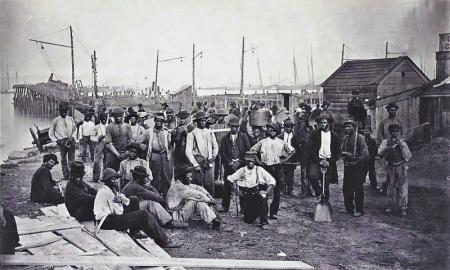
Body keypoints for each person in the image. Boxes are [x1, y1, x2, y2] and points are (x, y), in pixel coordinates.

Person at [93, 168, 180, 248]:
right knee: (143, 214)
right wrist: (121, 203)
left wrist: (122, 200)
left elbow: (125, 199)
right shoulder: (106, 192)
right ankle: (163, 241)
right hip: (107, 222)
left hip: (112, 215)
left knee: (133, 199)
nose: (116, 181)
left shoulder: (111, 189)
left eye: (116, 179)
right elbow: (119, 211)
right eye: (113, 179)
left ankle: (134, 231)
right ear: (107, 181)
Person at [250, 122, 295, 219]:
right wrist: (259, 162)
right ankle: (263, 211)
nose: (272, 131)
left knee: (277, 191)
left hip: (277, 168)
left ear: (277, 131)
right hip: (266, 168)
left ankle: (273, 212)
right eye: (270, 130)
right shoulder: (263, 142)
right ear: (267, 131)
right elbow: (252, 151)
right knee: (263, 190)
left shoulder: (281, 142)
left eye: (274, 130)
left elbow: (292, 151)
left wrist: (283, 161)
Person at [121, 166, 188, 228]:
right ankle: (168, 222)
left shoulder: (134, 183)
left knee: (148, 202)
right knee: (150, 203)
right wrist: (163, 201)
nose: (146, 179)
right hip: (127, 211)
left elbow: (152, 192)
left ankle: (164, 218)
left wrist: (150, 187)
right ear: (138, 179)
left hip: (128, 208)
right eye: (144, 177)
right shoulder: (136, 187)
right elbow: (156, 197)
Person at [227, 151, 275, 229]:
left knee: (262, 197)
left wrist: (266, 191)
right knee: (248, 220)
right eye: (248, 161)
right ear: (245, 161)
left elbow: (272, 181)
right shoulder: (242, 170)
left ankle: (264, 222)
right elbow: (230, 179)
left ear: (255, 161)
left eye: (252, 161)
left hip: (258, 192)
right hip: (248, 195)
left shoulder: (259, 169)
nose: (250, 163)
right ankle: (255, 213)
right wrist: (237, 191)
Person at [166, 165, 221, 230]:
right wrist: (209, 200)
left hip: (179, 211)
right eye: (188, 177)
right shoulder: (179, 187)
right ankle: (213, 219)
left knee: (196, 200)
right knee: (195, 201)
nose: (191, 179)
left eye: (191, 177)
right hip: (176, 216)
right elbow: (197, 195)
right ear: (181, 177)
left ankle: (213, 219)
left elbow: (197, 188)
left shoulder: (182, 183)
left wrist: (208, 195)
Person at [218, 115, 251, 212]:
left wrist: (240, 162)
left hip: (241, 164)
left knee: (242, 185)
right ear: (229, 126)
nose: (234, 128)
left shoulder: (243, 137)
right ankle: (225, 206)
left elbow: (247, 151)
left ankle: (244, 207)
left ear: (238, 127)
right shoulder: (225, 138)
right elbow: (222, 152)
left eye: (235, 126)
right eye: (232, 126)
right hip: (229, 165)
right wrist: (229, 163)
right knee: (227, 185)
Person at [378, 124, 412, 216]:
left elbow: (408, 156)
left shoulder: (402, 143)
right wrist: (387, 149)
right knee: (390, 187)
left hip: (401, 166)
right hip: (390, 167)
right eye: (393, 131)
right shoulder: (385, 142)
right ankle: (391, 206)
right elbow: (380, 154)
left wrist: (401, 147)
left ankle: (402, 208)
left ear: (399, 132)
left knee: (402, 188)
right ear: (390, 132)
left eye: (396, 131)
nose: (395, 133)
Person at [137, 113, 173, 196]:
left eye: (161, 121)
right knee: (154, 177)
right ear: (154, 121)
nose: (158, 122)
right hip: (154, 155)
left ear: (163, 122)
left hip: (164, 155)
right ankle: (154, 195)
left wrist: (169, 153)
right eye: (157, 121)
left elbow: (169, 144)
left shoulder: (166, 131)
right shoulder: (148, 132)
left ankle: (166, 195)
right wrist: (145, 147)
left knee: (166, 176)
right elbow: (139, 142)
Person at [307, 114, 341, 202]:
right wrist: (319, 161)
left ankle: (325, 203)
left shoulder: (335, 136)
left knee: (325, 183)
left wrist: (330, 161)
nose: (323, 124)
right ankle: (318, 193)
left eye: (325, 123)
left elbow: (337, 152)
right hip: (317, 160)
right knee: (312, 176)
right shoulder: (314, 134)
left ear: (329, 124)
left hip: (329, 161)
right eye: (321, 123)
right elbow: (310, 149)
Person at [185, 111, 219, 195]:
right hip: (198, 161)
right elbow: (188, 151)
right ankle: (197, 203)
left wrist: (214, 156)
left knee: (209, 184)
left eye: (204, 120)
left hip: (209, 161)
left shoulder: (209, 132)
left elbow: (215, 146)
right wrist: (195, 164)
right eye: (201, 120)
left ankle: (210, 203)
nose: (203, 122)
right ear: (197, 122)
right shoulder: (192, 134)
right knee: (197, 184)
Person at [341, 120, 369, 217]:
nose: (347, 128)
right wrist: (345, 154)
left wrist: (355, 162)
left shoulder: (360, 138)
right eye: (346, 127)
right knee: (347, 188)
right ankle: (349, 208)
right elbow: (342, 151)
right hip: (348, 166)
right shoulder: (345, 138)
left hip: (358, 167)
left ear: (354, 127)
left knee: (358, 189)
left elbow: (364, 154)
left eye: (349, 126)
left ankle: (359, 209)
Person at [377, 102, 404, 194]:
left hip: (397, 147)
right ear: (388, 111)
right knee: (387, 169)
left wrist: (400, 143)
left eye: (394, 110)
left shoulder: (399, 122)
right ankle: (386, 188)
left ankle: (397, 189)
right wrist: (384, 145)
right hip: (387, 147)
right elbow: (379, 134)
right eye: (391, 110)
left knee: (398, 169)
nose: (393, 111)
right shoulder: (383, 122)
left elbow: (403, 134)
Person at [49, 102, 76, 180]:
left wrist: (72, 137)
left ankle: (71, 176)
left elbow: (75, 129)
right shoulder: (56, 120)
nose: (63, 112)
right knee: (63, 160)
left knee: (71, 160)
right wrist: (56, 140)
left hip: (71, 141)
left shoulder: (70, 119)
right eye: (62, 111)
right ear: (59, 111)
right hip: (62, 142)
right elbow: (51, 132)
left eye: (65, 110)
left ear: (67, 111)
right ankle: (65, 175)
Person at [104, 107, 133, 171]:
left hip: (125, 153)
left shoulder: (127, 126)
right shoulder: (109, 127)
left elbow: (131, 141)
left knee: (126, 172)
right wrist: (118, 155)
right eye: (118, 116)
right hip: (113, 153)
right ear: (114, 117)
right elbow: (108, 144)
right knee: (111, 171)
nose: (121, 118)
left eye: (122, 116)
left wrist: (126, 153)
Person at [278, 119, 301, 196]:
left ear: (292, 128)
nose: (288, 129)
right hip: (283, 158)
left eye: (290, 127)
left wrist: (296, 158)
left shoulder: (295, 137)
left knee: (290, 174)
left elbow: (297, 149)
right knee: (282, 174)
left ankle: (290, 189)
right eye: (287, 127)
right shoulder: (280, 137)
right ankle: (282, 189)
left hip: (292, 158)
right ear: (284, 128)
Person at [296, 115, 314, 196]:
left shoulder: (312, 130)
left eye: (303, 121)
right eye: (301, 121)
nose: (302, 123)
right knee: (304, 174)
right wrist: (306, 140)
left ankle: (310, 190)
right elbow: (298, 139)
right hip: (303, 155)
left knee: (311, 174)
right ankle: (304, 191)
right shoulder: (300, 130)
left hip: (312, 155)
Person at [212, 108, 229, 181]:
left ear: (223, 116)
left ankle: (224, 179)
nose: (219, 118)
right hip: (217, 147)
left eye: (220, 116)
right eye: (218, 116)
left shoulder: (227, 126)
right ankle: (216, 179)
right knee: (217, 165)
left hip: (225, 148)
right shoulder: (214, 126)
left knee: (225, 164)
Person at [92, 113, 108, 182]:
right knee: (97, 161)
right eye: (103, 118)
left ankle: (105, 177)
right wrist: (98, 138)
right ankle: (95, 178)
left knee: (107, 161)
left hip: (108, 144)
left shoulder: (109, 126)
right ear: (100, 119)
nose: (104, 119)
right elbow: (91, 137)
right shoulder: (97, 127)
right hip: (99, 143)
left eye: (105, 118)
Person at [363, 126, 378, 190]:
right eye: (365, 131)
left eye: (367, 131)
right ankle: (360, 184)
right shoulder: (361, 140)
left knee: (372, 173)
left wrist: (371, 156)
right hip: (363, 159)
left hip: (371, 159)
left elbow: (375, 151)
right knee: (362, 172)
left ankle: (374, 185)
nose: (366, 132)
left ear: (370, 132)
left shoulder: (372, 141)